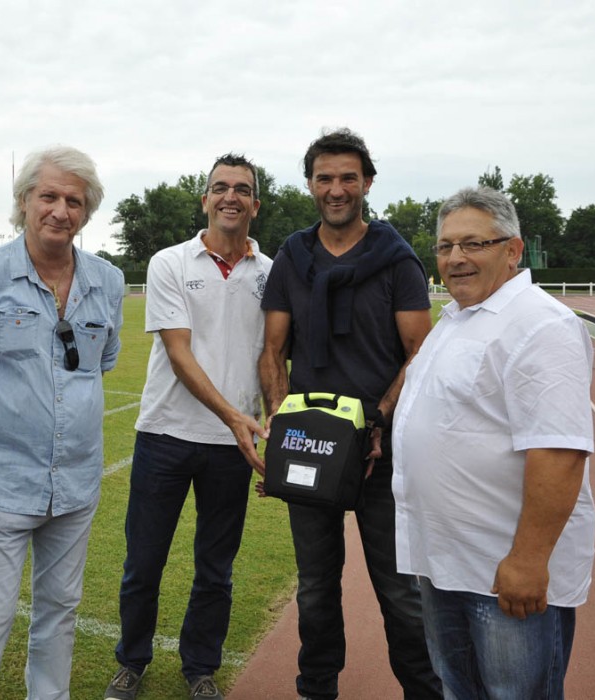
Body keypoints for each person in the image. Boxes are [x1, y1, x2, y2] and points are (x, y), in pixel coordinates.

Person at [0, 145, 124, 700]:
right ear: (24, 202)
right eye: (49, 196)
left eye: (74, 200)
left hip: (76, 482)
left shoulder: (107, 282)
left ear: (86, 212)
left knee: (59, 613)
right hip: (2, 483)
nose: (61, 210)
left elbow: (98, 367)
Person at [258, 128, 441, 700]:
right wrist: (284, 433)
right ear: (310, 183)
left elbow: (419, 353)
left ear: (367, 182)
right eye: (324, 178)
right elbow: (272, 352)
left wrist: (379, 422)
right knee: (315, 588)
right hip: (312, 446)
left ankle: (425, 690)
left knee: (400, 591)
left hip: (379, 454)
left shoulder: (395, 257)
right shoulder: (292, 255)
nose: (335, 189)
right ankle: (317, 689)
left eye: (347, 178)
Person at [393, 187, 595, 699]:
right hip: (446, 562)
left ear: (512, 250)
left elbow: (560, 452)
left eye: (473, 244)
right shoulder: (458, 319)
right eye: (444, 247)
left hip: (502, 573)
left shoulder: (539, 325)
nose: (455, 258)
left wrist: (528, 560)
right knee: (460, 690)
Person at [105, 154, 272, 700]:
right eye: (220, 188)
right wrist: (233, 416)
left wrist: (276, 426)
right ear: (205, 199)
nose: (231, 197)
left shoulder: (270, 272)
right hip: (166, 436)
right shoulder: (170, 262)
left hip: (233, 447)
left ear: (255, 203)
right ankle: (131, 661)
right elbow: (178, 352)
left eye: (242, 189)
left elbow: (275, 355)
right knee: (143, 564)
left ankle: (200, 669)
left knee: (216, 570)